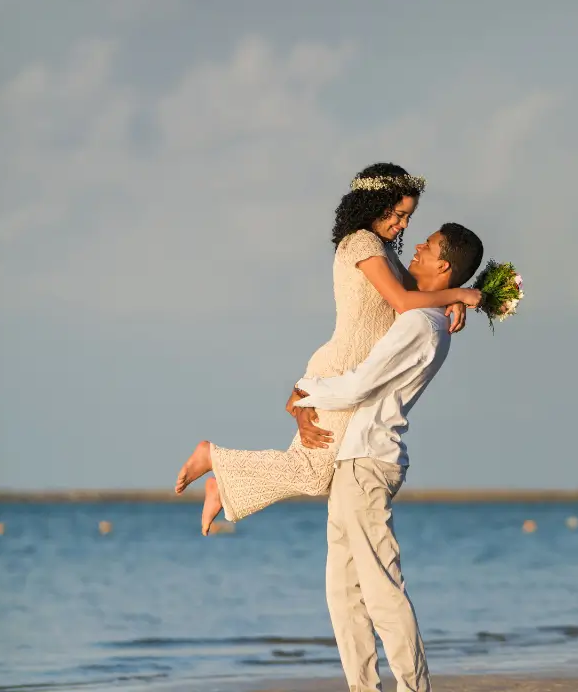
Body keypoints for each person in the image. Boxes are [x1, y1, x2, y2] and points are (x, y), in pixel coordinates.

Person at [174, 163, 481, 533]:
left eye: (408, 218)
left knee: (311, 470)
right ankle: (214, 460)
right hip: (342, 366)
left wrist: (452, 301)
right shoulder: (362, 243)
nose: (403, 226)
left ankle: (221, 482)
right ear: (377, 203)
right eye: (399, 215)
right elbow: (401, 300)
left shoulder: (381, 249)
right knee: (312, 472)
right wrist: (460, 293)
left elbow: (418, 294)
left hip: (349, 367)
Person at [291, 223, 483, 692]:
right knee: (344, 589)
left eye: (428, 245)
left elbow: (361, 384)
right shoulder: (431, 313)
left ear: (444, 265)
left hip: (367, 459)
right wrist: (455, 296)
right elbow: (397, 291)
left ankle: (413, 687)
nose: (415, 245)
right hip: (354, 459)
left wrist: (304, 392)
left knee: (379, 587)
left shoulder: (422, 324)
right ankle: (362, 687)